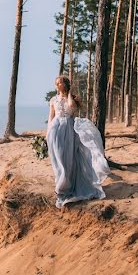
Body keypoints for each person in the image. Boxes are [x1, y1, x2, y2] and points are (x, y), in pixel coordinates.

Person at [47, 76, 110, 208]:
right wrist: (47, 134)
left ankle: (66, 186)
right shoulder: (53, 100)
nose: (59, 86)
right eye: (57, 84)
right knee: (58, 158)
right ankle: (60, 186)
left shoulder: (73, 98)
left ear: (66, 85)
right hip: (55, 130)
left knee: (68, 159)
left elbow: (71, 107)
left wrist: (68, 93)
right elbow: (51, 117)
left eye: (61, 83)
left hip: (69, 129)